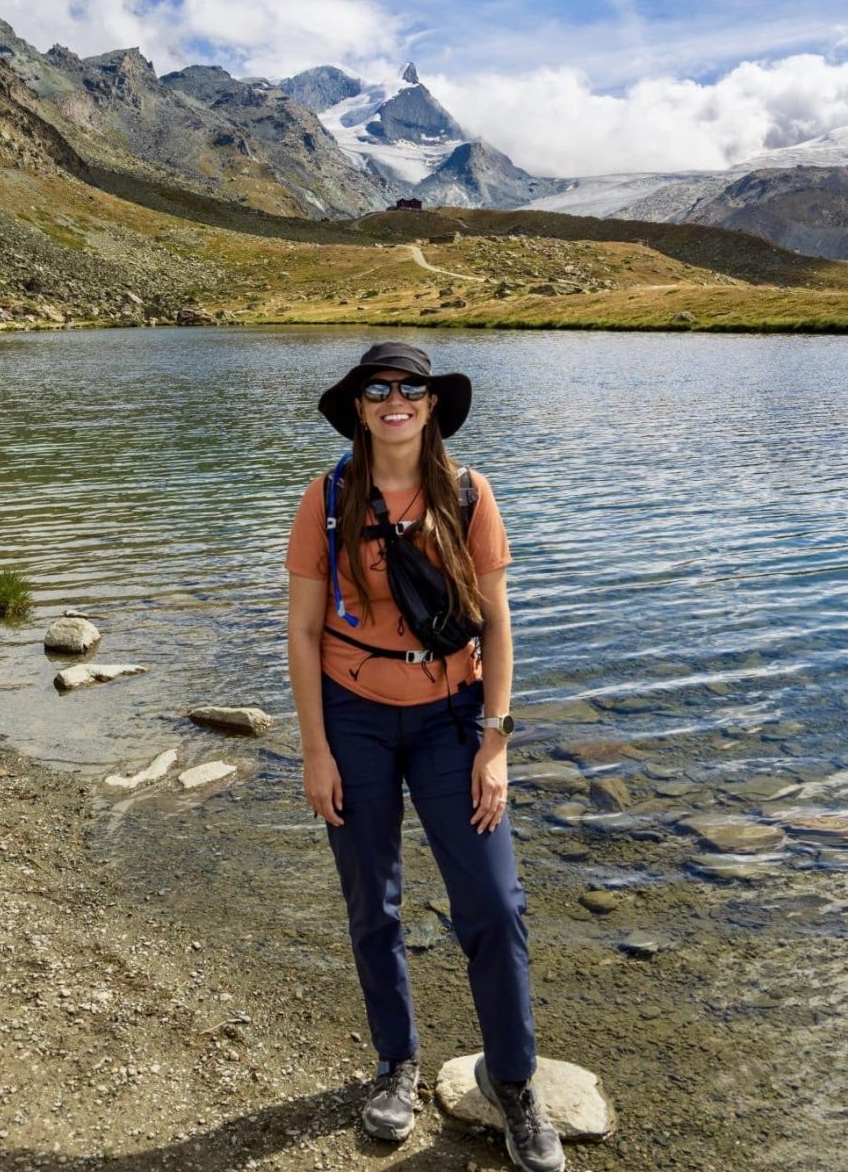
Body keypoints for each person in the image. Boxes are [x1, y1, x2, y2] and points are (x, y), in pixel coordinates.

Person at [285, 341, 564, 1172]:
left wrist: (495, 742)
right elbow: (301, 633)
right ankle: (396, 1064)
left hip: (452, 717)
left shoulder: (469, 493)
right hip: (353, 718)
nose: (394, 400)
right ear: (359, 407)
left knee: (494, 903)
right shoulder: (325, 499)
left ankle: (512, 1081)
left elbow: (498, 623)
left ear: (432, 403)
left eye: (409, 387)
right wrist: (315, 751)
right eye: (377, 389)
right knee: (371, 901)